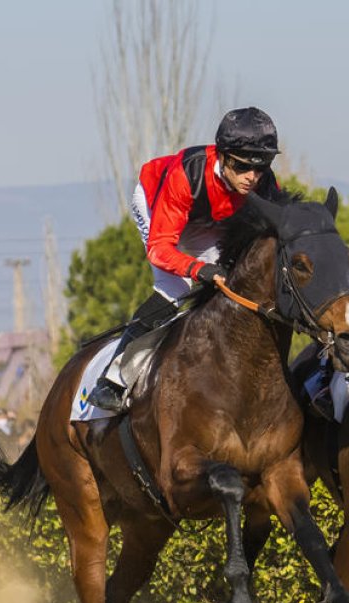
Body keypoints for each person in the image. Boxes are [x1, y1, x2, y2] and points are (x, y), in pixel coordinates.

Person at [88, 106, 284, 411]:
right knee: (176, 289)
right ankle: (113, 379)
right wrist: (197, 268)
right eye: (243, 167)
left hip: (209, 218)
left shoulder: (265, 183)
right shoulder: (186, 174)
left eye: (260, 168)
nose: (252, 178)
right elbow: (160, 248)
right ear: (222, 155)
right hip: (159, 205)